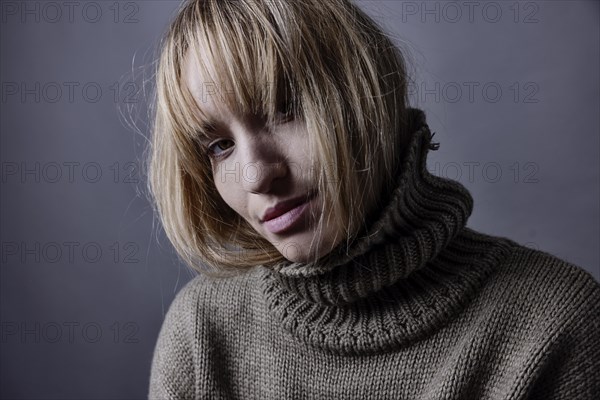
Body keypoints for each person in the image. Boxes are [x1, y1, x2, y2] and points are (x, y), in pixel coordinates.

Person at [148, 0, 600, 398]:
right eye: (219, 146)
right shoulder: (201, 333)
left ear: (366, 93)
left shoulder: (557, 324)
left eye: (284, 107)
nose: (256, 174)